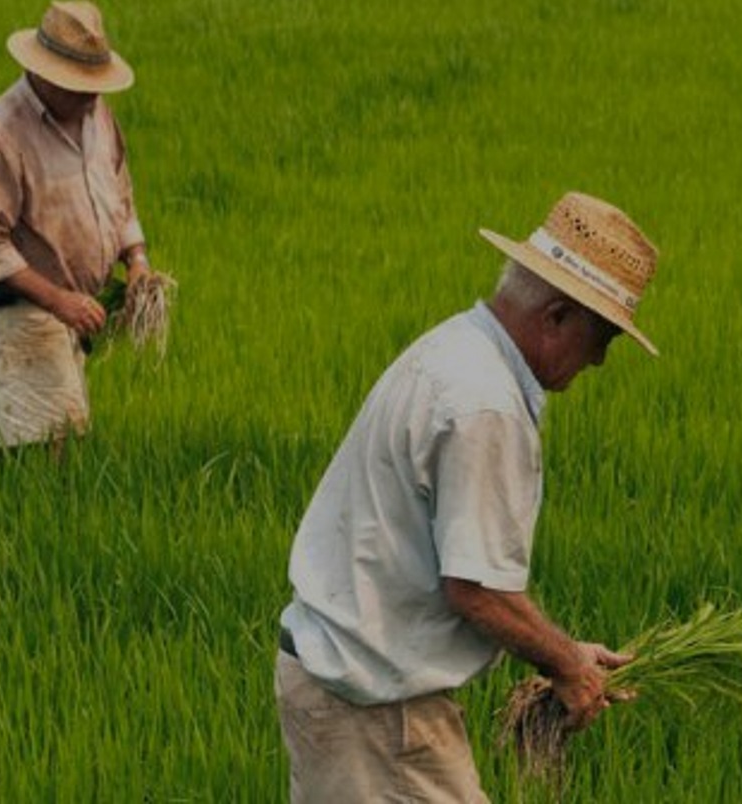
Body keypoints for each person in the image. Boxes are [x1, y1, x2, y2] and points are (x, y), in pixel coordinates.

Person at [274, 191, 661, 802]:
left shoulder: (457, 348)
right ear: (557, 316)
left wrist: (564, 655)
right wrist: (567, 665)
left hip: (346, 689)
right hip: (375, 716)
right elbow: (476, 590)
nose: (600, 362)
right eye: (602, 338)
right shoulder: (486, 403)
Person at [0, 0, 152, 453]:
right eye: (79, 86)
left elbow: (119, 193)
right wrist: (59, 300)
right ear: (44, 75)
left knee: (65, 436)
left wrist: (137, 260)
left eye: (95, 85)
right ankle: (20, 521)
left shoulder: (95, 113)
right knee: (44, 448)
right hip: (22, 310)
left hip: (75, 311)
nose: (91, 96)